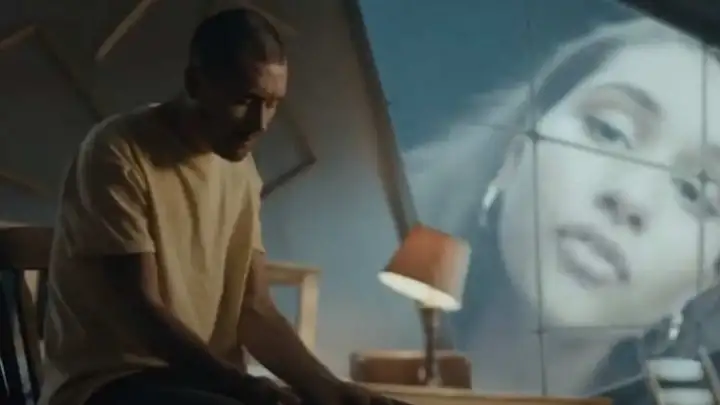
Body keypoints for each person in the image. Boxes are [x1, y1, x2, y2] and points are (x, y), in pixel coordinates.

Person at [39, 8, 401, 405]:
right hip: (111, 383)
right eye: (245, 100)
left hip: (204, 383)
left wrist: (331, 390)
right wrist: (244, 387)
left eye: (273, 103)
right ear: (195, 83)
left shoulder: (240, 170)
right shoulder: (118, 152)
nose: (260, 122)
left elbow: (255, 311)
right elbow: (142, 313)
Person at [402, 16, 720, 398]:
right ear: (515, 153)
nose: (630, 197)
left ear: (706, 281)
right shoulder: (351, 259)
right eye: (610, 131)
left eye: (694, 192)